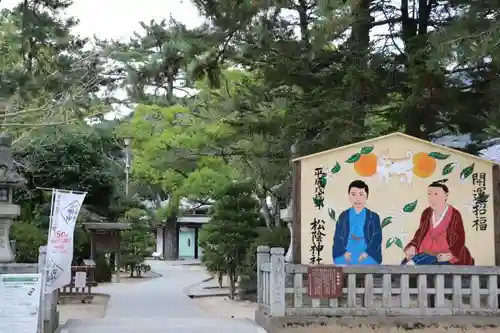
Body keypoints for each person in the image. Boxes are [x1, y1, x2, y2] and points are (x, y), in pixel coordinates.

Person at [402, 180, 474, 265]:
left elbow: (459, 239)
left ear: (446, 195)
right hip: (424, 252)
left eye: (436, 194)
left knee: (424, 262)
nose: (432, 198)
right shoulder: (427, 213)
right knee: (405, 263)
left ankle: (414, 262)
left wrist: (450, 254)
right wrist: (413, 246)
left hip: (443, 256)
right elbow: (420, 234)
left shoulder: (454, 214)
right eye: (429, 194)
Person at [332, 180, 382, 265]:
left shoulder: (373, 217)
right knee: (341, 264)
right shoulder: (343, 216)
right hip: (346, 254)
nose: (357, 198)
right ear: (349, 196)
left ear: (367, 196)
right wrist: (344, 252)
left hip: (367, 254)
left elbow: (377, 238)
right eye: (353, 194)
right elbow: (337, 238)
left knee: (369, 265)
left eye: (361, 194)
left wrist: (367, 253)